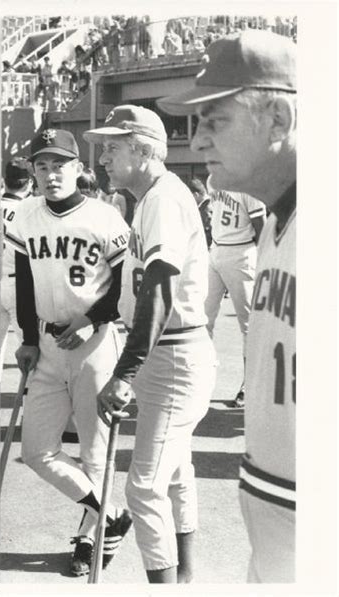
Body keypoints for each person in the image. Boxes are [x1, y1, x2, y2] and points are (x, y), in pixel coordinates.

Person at [158, 29, 296, 583]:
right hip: (273, 524)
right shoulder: (280, 214)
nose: (196, 143)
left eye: (214, 120)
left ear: (279, 121)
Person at [84, 106, 216, 584]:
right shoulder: (153, 198)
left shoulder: (161, 199)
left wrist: (123, 373)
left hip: (175, 354)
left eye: (112, 146)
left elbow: (160, 289)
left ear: (143, 149)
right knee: (176, 472)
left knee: (142, 488)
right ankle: (185, 582)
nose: (102, 157)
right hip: (174, 351)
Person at [4, 129, 132, 577]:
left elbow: (123, 286)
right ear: (33, 172)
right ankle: (111, 513)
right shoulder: (24, 215)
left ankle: (89, 538)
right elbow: (23, 279)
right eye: (42, 165)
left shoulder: (105, 217)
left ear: (78, 169)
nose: (50, 173)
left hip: (95, 341)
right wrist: (27, 338)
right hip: (48, 341)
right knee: (38, 451)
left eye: (60, 164)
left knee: (96, 453)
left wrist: (92, 320)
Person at [204, 177, 266, 408]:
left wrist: (264, 261)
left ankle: (250, 385)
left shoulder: (249, 183)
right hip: (216, 250)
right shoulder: (213, 178)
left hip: (241, 253)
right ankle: (201, 376)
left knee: (249, 325)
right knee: (202, 319)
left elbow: (261, 229)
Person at [0, 158, 34, 375]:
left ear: (4, 181)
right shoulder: (30, 210)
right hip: (18, 286)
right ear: (30, 183)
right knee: (32, 353)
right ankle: (32, 405)